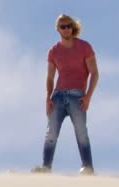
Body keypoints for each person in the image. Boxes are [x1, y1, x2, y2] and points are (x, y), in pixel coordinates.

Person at [33, 14, 99, 174]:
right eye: (63, 26)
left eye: (69, 25)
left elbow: (94, 73)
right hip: (58, 96)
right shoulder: (53, 51)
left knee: (81, 132)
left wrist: (88, 96)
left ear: (73, 27)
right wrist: (48, 98)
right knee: (51, 132)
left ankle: (88, 167)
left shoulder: (84, 47)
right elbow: (50, 77)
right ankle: (46, 167)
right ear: (58, 29)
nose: (67, 29)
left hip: (77, 96)